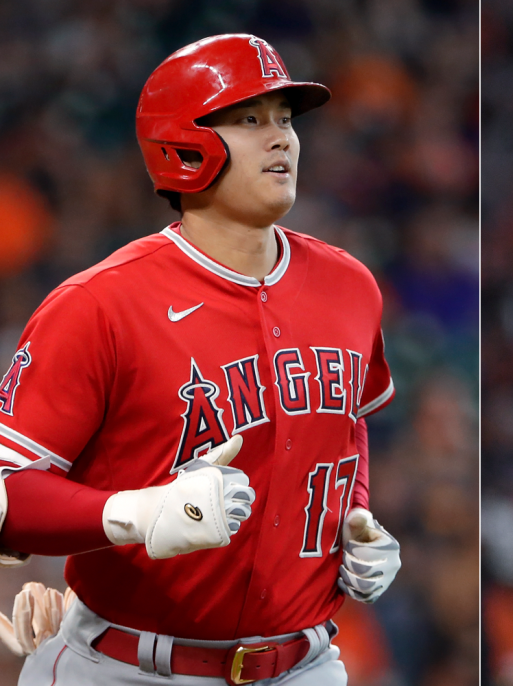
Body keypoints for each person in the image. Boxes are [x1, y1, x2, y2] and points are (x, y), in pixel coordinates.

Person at [0, 34, 400, 685]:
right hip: (125, 666)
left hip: (306, 664)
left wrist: (354, 514)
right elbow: (6, 494)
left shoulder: (351, 285)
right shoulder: (100, 303)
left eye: (285, 119)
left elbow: (346, 418)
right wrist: (134, 514)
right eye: (250, 120)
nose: (282, 139)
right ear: (183, 145)